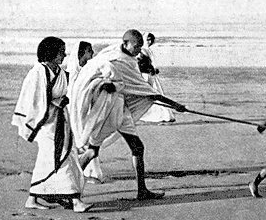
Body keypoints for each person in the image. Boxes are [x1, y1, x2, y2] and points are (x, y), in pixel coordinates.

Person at [68, 29, 186, 200]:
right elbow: (148, 92)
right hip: (108, 110)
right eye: (136, 47)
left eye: (140, 47)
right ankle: (68, 187)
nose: (139, 51)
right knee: (92, 151)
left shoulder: (127, 59)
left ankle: (142, 191)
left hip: (120, 109)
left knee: (136, 147)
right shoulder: (115, 58)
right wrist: (175, 105)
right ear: (125, 43)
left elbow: (137, 87)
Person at [11, 36, 93, 213]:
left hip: (60, 121)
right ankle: (75, 201)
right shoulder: (38, 72)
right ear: (51, 53)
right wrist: (55, 103)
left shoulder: (60, 72)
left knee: (51, 159)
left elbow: (76, 79)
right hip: (46, 123)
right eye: (60, 52)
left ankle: (32, 198)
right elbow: (34, 99)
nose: (63, 55)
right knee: (62, 157)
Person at [64, 40, 105, 183]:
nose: (92, 53)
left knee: (86, 137)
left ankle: (88, 171)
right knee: (79, 138)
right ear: (82, 53)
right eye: (89, 51)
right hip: (72, 109)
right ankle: (85, 172)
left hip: (83, 108)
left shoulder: (87, 70)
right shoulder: (72, 72)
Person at [138, 32, 176, 123]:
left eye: (151, 40)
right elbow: (139, 64)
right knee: (152, 94)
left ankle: (162, 115)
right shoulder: (141, 50)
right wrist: (149, 69)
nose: (149, 41)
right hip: (145, 76)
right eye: (147, 39)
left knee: (156, 93)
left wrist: (154, 69)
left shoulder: (147, 50)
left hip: (150, 75)